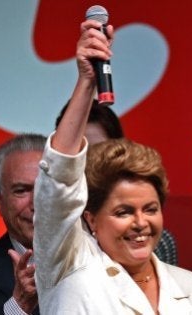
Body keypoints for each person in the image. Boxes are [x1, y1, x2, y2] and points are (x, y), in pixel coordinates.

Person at [32, 19, 192, 313]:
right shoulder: (69, 266)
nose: (141, 223)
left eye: (151, 209)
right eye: (123, 212)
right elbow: (59, 181)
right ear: (91, 219)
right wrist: (86, 83)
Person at [55, 100, 179, 266]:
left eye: (99, 150)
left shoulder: (159, 242)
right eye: (80, 153)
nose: (90, 161)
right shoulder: (56, 240)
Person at [0, 134, 46, 315]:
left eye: (45, 188)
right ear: (0, 202)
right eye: (21, 191)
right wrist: (19, 305)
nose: (35, 204)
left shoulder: (98, 257)